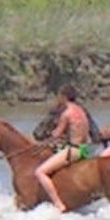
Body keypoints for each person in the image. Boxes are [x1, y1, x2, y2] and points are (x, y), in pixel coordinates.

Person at [35, 84, 95, 212]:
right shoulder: (82, 111)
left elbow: (56, 134)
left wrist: (47, 140)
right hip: (86, 150)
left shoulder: (67, 114)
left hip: (74, 150)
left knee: (40, 172)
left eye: (59, 96)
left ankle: (58, 204)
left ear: (63, 97)